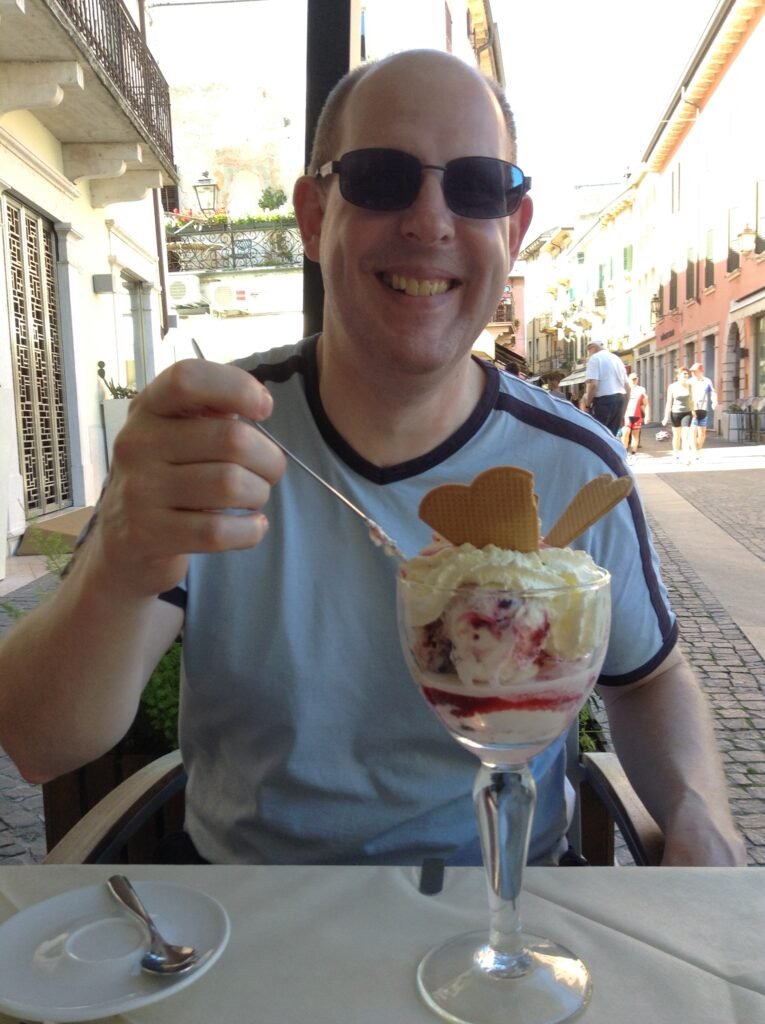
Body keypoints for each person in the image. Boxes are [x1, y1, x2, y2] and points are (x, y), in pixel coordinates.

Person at [0, 50, 744, 868]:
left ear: (513, 229)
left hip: (510, 912)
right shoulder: (211, 442)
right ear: (315, 218)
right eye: (382, 177)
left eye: (476, 186)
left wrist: (698, 814)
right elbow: (40, 743)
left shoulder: (577, 462)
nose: (430, 221)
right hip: (253, 918)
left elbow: (646, 678)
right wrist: (114, 565)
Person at [582, 339, 630, 435]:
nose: (589, 354)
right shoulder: (617, 359)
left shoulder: (595, 358)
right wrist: (623, 413)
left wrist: (587, 404)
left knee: (598, 435)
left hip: (604, 402)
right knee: (612, 436)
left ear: (593, 347)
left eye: (588, 351)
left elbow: (594, 384)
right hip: (619, 400)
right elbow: (628, 388)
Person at [662, 366, 694, 464]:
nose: (686, 376)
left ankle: (686, 457)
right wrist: (666, 417)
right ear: (678, 375)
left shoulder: (690, 386)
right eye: (684, 374)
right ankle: (675, 455)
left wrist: (694, 411)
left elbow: (691, 400)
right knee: (676, 435)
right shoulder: (672, 387)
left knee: (686, 435)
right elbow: (669, 402)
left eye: (687, 374)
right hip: (675, 413)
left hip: (687, 413)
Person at [689, 362, 718, 457]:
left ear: (701, 371)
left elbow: (713, 392)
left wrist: (714, 402)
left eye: (695, 371)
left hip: (703, 409)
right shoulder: (690, 382)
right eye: (692, 371)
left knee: (702, 433)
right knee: (693, 431)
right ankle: (694, 451)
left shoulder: (707, 381)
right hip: (692, 409)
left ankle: (698, 448)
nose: (693, 373)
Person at [622, 371, 650, 462]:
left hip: (636, 415)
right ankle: (624, 452)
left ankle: (633, 454)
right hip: (626, 414)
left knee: (635, 435)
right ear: (628, 380)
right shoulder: (624, 389)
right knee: (625, 432)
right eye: (632, 379)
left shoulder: (641, 390)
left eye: (636, 379)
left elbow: (645, 403)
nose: (634, 381)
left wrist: (647, 415)